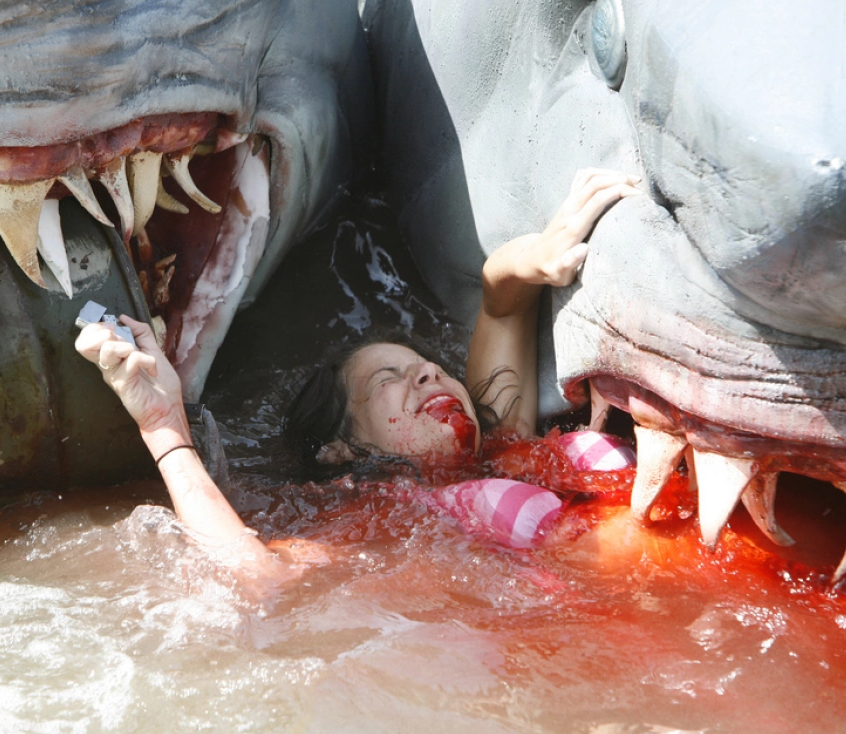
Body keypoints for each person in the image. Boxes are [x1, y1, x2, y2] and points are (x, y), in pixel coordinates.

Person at [75, 168, 640, 576]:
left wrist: (540, 252)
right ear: (341, 448)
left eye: (433, 369)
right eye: (386, 379)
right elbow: (253, 576)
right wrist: (165, 431)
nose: (429, 377)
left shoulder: (508, 440)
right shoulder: (377, 521)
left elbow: (502, 300)